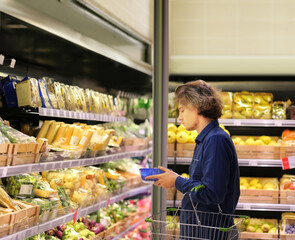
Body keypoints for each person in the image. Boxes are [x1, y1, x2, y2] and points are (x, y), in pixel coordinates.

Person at [145, 80, 240, 240]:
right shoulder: (206, 139)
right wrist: (175, 178)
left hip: (209, 233)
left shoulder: (215, 140)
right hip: (200, 231)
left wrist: (176, 181)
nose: (179, 117)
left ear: (196, 106)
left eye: (182, 110)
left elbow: (212, 193)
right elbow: (203, 185)